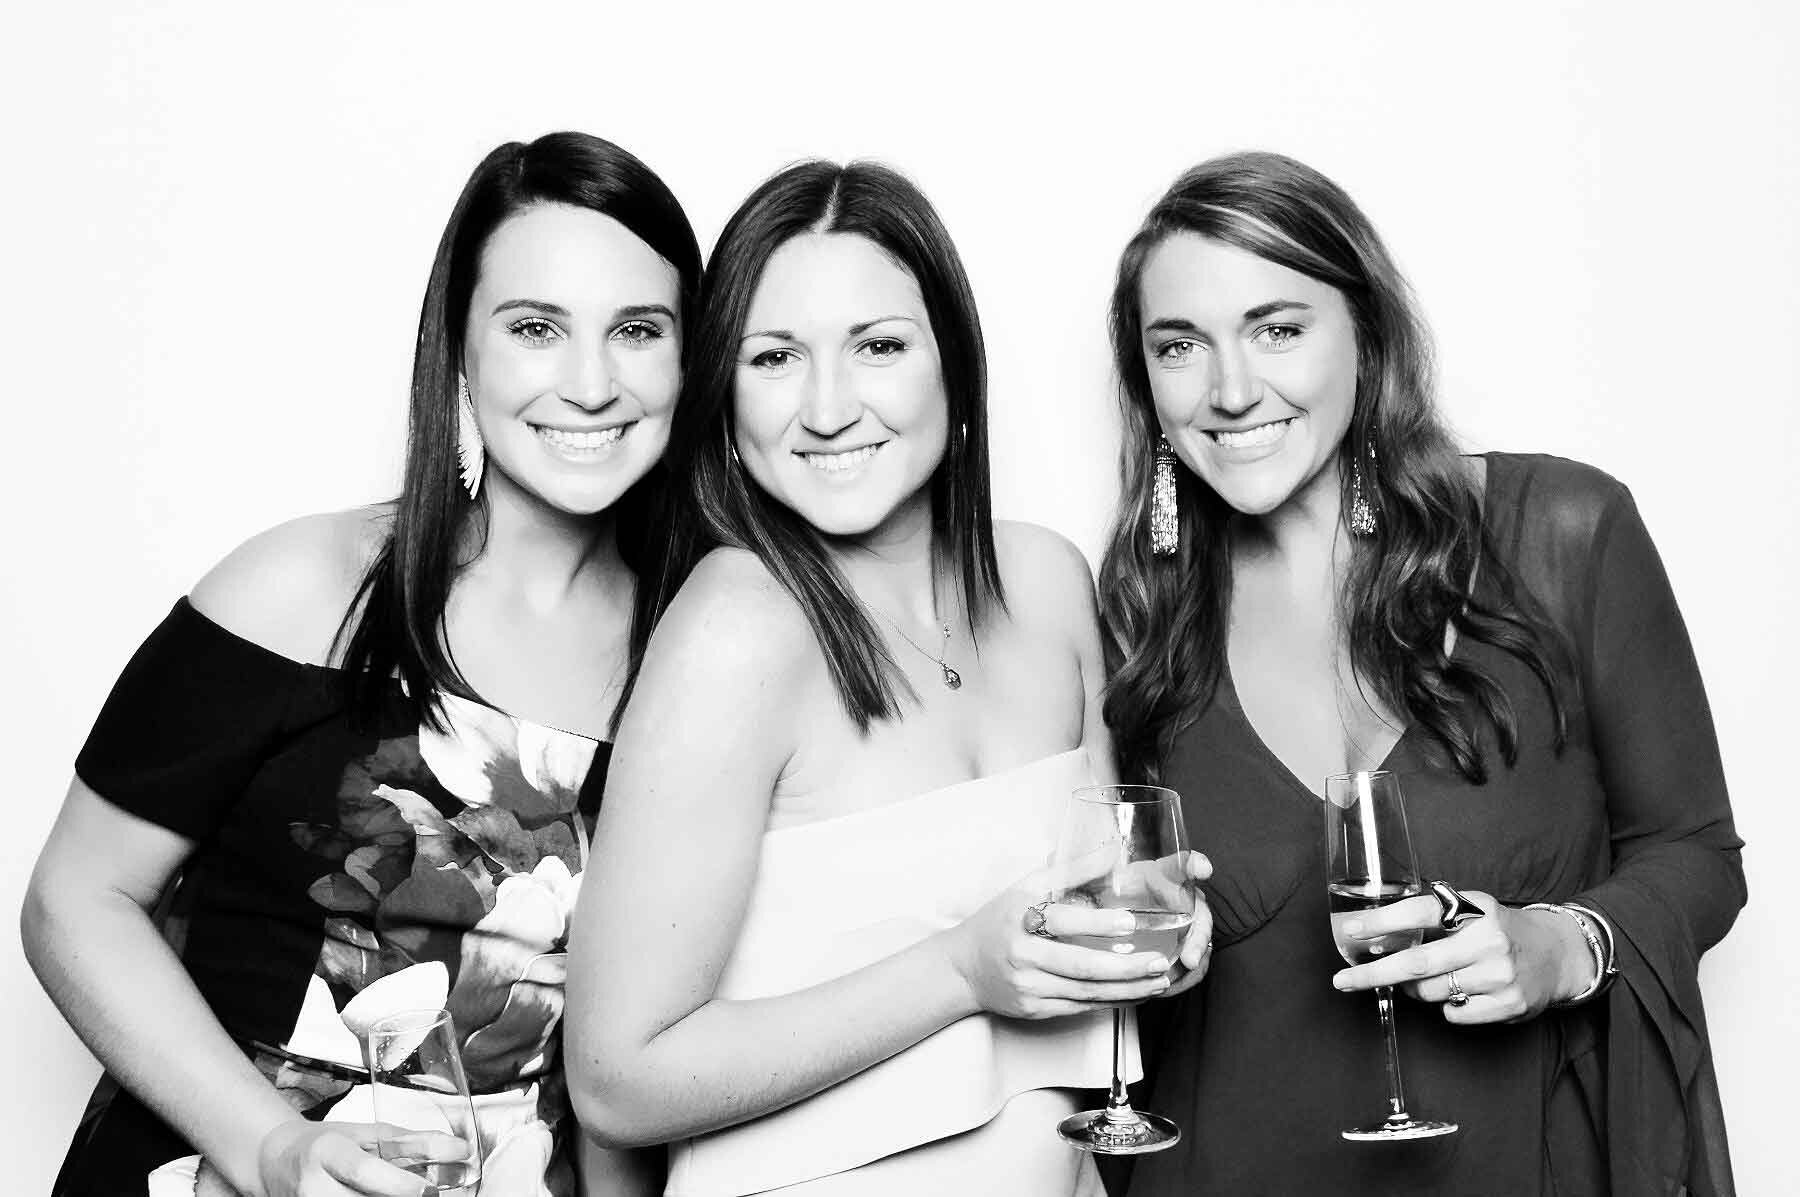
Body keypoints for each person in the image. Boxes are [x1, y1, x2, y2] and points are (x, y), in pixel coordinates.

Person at [21, 131, 701, 1197]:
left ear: (689, 360)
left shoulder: (699, 657)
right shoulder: (305, 590)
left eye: (638, 331)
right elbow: (75, 900)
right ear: (459, 352)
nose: (590, 382)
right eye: (535, 328)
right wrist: (271, 1148)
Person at [1096, 150, 1744, 1195]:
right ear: (1147, 383)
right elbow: (1124, 941)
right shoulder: (1141, 614)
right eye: (1180, 346)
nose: (1231, 390)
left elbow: (1698, 853)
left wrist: (1564, 945)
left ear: (1367, 333)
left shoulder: (1562, 532)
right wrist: (1151, 946)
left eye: (1278, 328)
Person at [563, 160, 1211, 1197]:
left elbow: (1097, 903)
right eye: (775, 357)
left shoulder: (1046, 581)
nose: (827, 408)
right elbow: (614, 1081)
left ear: (953, 363)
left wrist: (1158, 927)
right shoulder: (737, 626)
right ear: (724, 393)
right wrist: (958, 971)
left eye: (878, 346)